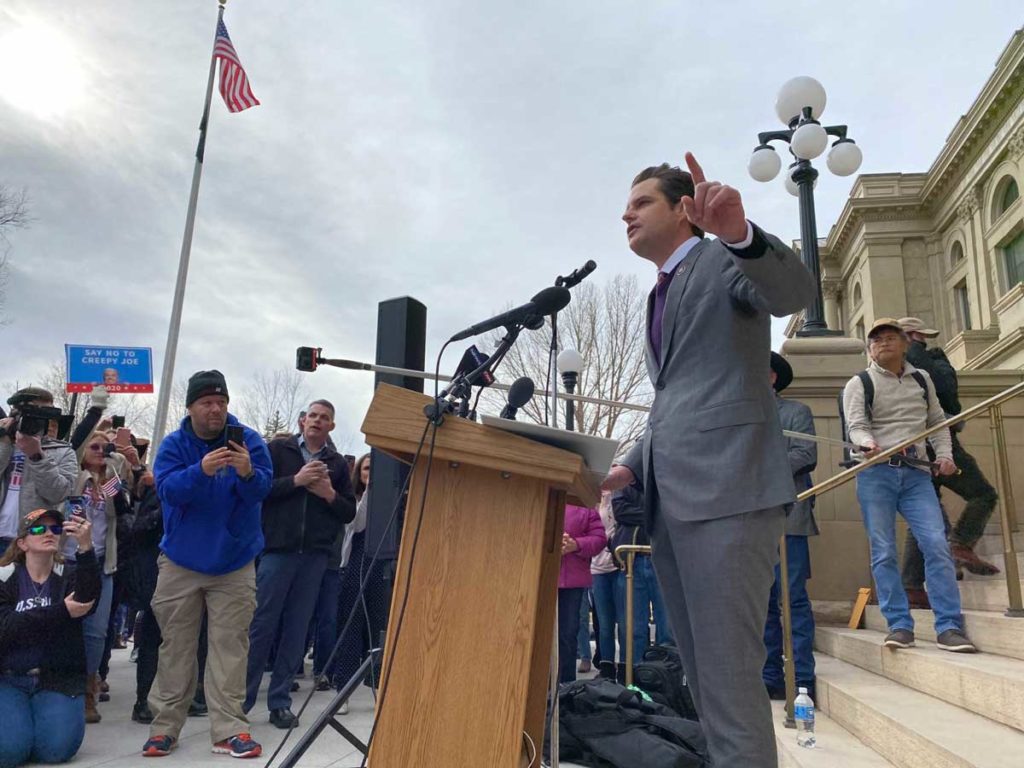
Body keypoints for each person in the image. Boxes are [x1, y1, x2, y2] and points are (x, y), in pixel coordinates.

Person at [601, 154, 815, 766]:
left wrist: (740, 235)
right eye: (626, 206)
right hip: (674, 504)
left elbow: (793, 293)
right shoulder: (658, 293)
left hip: (730, 493)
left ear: (684, 210)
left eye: (642, 203)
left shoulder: (723, 259)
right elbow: (675, 399)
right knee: (701, 675)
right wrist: (631, 466)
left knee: (728, 674)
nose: (626, 215)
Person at [143, 370, 272, 759]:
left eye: (221, 402)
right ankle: (164, 728)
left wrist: (247, 472)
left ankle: (230, 730)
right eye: (207, 403)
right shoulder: (174, 445)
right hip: (181, 562)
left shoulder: (249, 441)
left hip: (234, 562)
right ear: (191, 407)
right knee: (176, 647)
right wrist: (201, 470)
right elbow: (167, 490)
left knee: (230, 648)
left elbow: (263, 490)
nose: (216, 409)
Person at [842, 319, 975, 653]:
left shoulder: (922, 379)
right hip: (876, 473)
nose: (883, 343)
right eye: (876, 340)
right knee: (883, 550)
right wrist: (867, 443)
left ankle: (949, 626)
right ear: (869, 349)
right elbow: (856, 426)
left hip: (917, 474)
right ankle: (899, 625)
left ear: (905, 344)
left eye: (890, 337)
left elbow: (937, 422)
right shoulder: (859, 383)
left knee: (937, 544)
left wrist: (944, 455)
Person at [244, 400, 355, 729]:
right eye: (313, 416)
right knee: (261, 625)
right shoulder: (278, 450)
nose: (317, 421)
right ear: (302, 420)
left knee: (296, 629)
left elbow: (348, 511)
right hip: (278, 551)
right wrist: (297, 480)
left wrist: (328, 494)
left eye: (325, 418)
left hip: (315, 558)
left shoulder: (337, 463)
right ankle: (241, 700)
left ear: (331, 426)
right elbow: (258, 490)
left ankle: (280, 702)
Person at [898, 316, 1000, 608]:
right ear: (915, 335)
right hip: (926, 444)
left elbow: (942, 396)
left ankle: (913, 585)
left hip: (928, 445)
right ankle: (959, 546)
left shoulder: (913, 365)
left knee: (929, 516)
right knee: (981, 495)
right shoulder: (908, 364)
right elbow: (943, 393)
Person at [0, 509, 99, 767]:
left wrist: (86, 547)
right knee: (9, 753)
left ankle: (30, 724)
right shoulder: (4, 577)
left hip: (56, 679)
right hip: (8, 678)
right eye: (38, 529)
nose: (48, 533)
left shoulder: (67, 576)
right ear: (22, 543)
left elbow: (87, 601)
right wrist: (60, 611)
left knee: (55, 750)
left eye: (55, 529)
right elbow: (6, 627)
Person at [763, 352, 818, 701]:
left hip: (789, 519)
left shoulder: (796, 412)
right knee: (763, 602)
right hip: (751, 521)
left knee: (793, 598)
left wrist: (759, 468)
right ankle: (769, 674)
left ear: (772, 377)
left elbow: (805, 454)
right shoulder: (739, 415)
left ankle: (802, 677)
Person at [68, 430, 132, 723]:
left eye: (106, 448)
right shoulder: (74, 475)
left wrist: (110, 470)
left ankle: (87, 690)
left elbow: (122, 509)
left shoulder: (110, 480)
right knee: (64, 627)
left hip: (100, 564)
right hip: (69, 560)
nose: (100, 451)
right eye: (94, 446)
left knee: (96, 633)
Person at [0, 388, 78, 554]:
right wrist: (4, 442)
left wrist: (37, 456)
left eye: (44, 415)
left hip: (32, 540)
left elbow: (59, 493)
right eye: (33, 414)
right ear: (16, 414)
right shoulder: (3, 441)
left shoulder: (62, 451)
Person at [610, 479, 672, 681]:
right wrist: (656, 515)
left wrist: (641, 513)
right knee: (632, 629)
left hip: (664, 560)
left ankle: (667, 681)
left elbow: (675, 511)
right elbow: (620, 511)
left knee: (668, 629)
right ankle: (634, 681)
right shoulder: (624, 481)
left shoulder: (669, 478)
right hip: (631, 560)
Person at [328, 453, 370, 714]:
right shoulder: (354, 499)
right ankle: (343, 689)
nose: (371, 473)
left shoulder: (395, 500)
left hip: (383, 566)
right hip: (354, 565)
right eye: (367, 469)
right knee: (351, 627)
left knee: (378, 629)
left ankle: (378, 686)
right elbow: (357, 523)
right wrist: (370, 492)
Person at [557, 504, 606, 685]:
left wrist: (576, 544)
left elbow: (599, 539)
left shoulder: (582, 503)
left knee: (567, 635)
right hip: (535, 577)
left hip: (571, 582)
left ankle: (565, 687)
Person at [589, 491, 619, 679]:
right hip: (597, 569)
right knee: (604, 623)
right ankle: (606, 667)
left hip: (620, 565)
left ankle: (626, 667)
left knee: (625, 622)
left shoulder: (619, 496)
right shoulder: (590, 497)